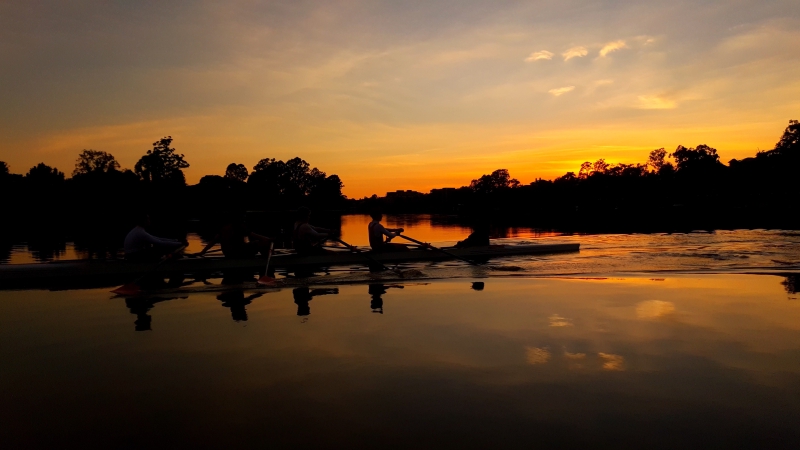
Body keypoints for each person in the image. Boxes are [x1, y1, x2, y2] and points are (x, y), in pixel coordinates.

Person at [199, 213, 272, 258]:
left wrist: (203, 252)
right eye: (243, 217)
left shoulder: (223, 227)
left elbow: (213, 241)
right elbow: (256, 236)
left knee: (253, 243)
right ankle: (265, 261)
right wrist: (269, 240)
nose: (244, 219)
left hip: (228, 254)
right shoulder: (239, 226)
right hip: (237, 253)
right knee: (262, 242)